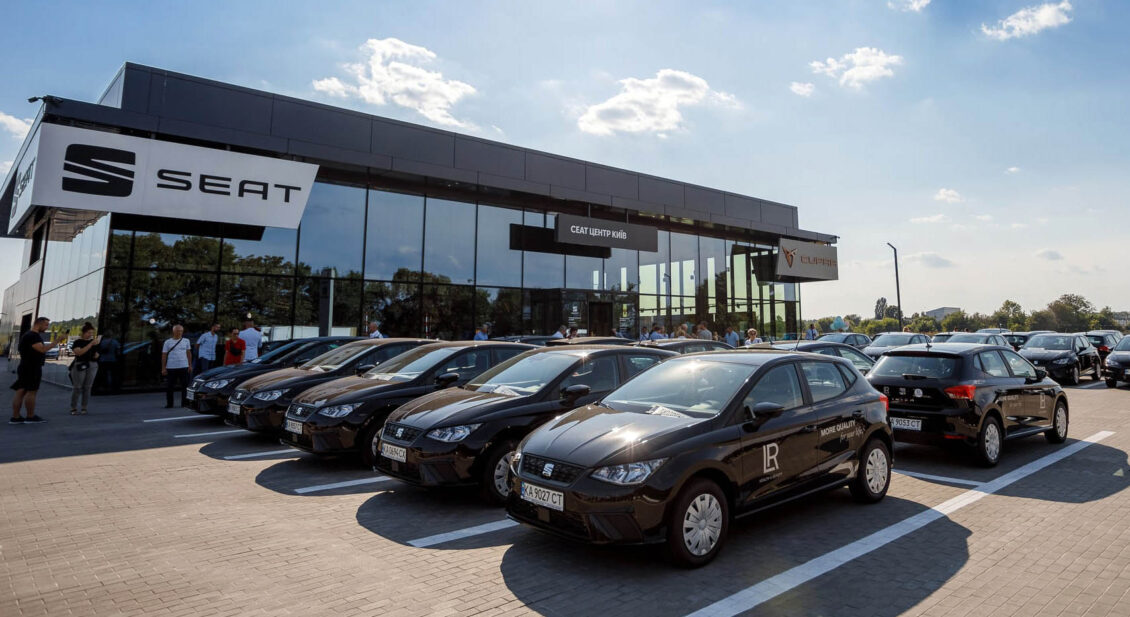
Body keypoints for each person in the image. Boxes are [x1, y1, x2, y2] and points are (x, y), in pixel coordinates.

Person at [10, 317, 60, 424]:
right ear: (39, 324)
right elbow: (42, 349)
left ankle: (16, 417)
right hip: (31, 368)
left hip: (25, 366)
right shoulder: (33, 336)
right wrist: (57, 340)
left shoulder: (28, 335)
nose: (47, 327)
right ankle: (30, 416)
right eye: (46, 325)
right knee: (31, 391)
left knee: (21, 391)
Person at [68, 323, 101, 415]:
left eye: (92, 333)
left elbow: (97, 354)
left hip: (92, 365)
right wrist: (90, 344)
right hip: (80, 365)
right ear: (83, 332)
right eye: (89, 332)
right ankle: (73, 407)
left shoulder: (94, 342)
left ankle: (84, 407)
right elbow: (79, 353)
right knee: (77, 387)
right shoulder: (78, 342)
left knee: (88, 387)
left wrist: (97, 354)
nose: (90, 335)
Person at [161, 325, 193, 409]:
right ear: (173, 331)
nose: (179, 332)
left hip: (184, 366)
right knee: (170, 386)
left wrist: (190, 365)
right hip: (171, 367)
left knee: (185, 385)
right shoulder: (167, 342)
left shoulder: (186, 341)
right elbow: (164, 355)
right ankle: (170, 403)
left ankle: (185, 403)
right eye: (178, 331)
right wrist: (163, 368)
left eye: (181, 331)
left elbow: (189, 353)